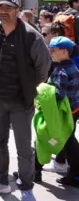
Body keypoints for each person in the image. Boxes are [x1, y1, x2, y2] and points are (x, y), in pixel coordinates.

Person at [0, 0, 51, 201]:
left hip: (22, 101)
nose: (4, 11)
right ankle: (1, 180)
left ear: (17, 10)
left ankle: (27, 187)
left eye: (8, 8)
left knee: (23, 147)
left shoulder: (31, 35)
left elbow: (44, 68)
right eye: (0, 7)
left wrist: (31, 90)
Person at [36, 36, 79, 188]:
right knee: (69, 140)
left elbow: (58, 93)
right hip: (74, 110)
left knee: (43, 136)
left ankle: (34, 170)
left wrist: (42, 89)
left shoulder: (60, 70)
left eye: (53, 50)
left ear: (64, 52)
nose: (50, 52)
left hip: (61, 113)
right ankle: (75, 173)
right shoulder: (73, 67)